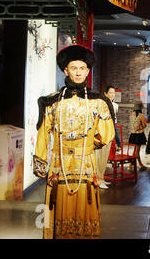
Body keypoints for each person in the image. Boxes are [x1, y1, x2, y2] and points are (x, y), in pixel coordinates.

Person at [33, 45, 115, 239]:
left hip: (85, 165)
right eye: (74, 68)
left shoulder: (99, 102)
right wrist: (41, 161)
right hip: (58, 164)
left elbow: (107, 134)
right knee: (59, 204)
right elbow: (44, 134)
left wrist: (86, 146)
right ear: (66, 70)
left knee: (84, 207)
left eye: (82, 68)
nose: (78, 72)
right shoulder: (52, 102)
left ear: (87, 71)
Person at [128, 100, 147, 171]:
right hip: (139, 135)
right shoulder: (142, 116)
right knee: (137, 151)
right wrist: (146, 119)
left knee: (135, 151)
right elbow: (144, 125)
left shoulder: (131, 114)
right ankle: (138, 164)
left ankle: (135, 164)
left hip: (133, 134)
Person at [104, 85, 121, 150]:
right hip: (105, 124)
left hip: (112, 122)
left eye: (113, 93)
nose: (112, 95)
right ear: (105, 94)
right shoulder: (103, 104)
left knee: (114, 134)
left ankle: (118, 146)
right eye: (110, 93)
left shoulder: (115, 105)